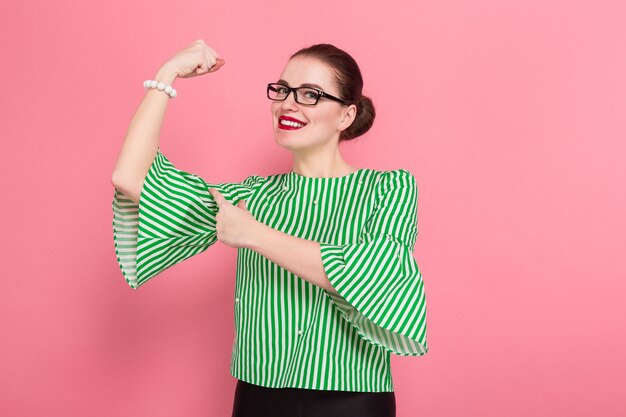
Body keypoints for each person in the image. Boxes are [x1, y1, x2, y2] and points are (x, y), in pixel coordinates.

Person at [111, 39, 428, 417]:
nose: (288, 103)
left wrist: (253, 235)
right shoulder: (251, 198)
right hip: (257, 396)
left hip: (352, 399)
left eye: (310, 94)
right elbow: (131, 178)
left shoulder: (388, 188)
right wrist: (167, 73)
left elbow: (377, 276)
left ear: (346, 116)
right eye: (282, 90)